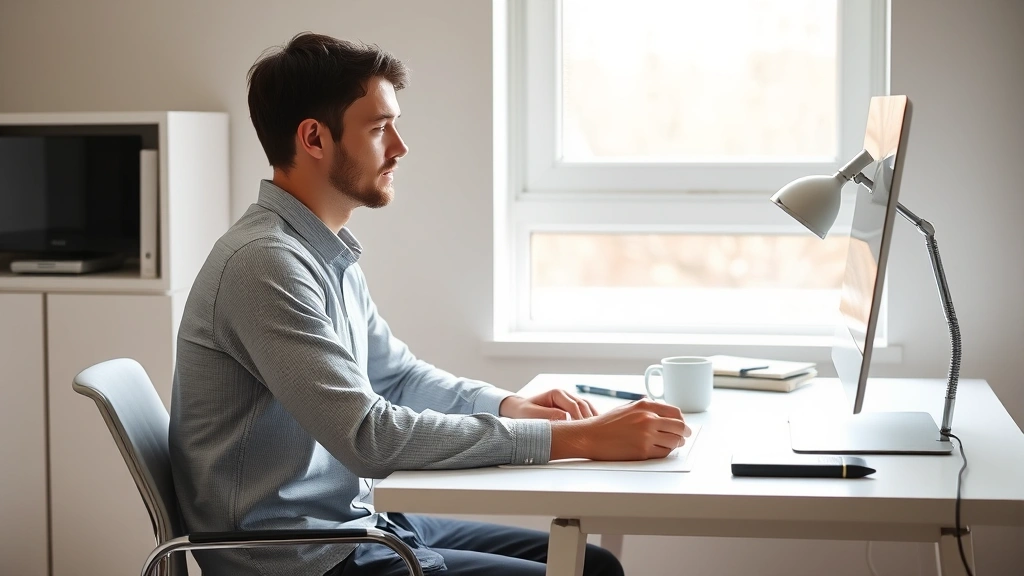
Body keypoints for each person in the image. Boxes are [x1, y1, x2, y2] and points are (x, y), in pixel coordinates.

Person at [168, 32, 689, 576]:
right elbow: (370, 437)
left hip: (355, 525)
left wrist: (509, 405)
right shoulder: (265, 265)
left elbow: (396, 377)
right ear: (314, 138)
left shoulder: (321, 252)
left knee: (591, 564)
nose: (399, 146)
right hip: (300, 557)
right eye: (378, 128)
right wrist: (576, 438)